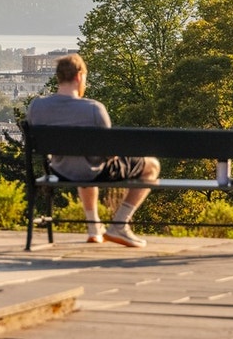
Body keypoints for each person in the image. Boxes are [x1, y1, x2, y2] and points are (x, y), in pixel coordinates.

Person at [27, 54, 160, 248]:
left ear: (58, 77)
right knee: (152, 166)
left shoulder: (37, 106)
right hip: (93, 171)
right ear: (79, 77)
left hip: (59, 170)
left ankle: (94, 228)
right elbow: (109, 154)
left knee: (84, 161)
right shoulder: (94, 109)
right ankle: (119, 224)